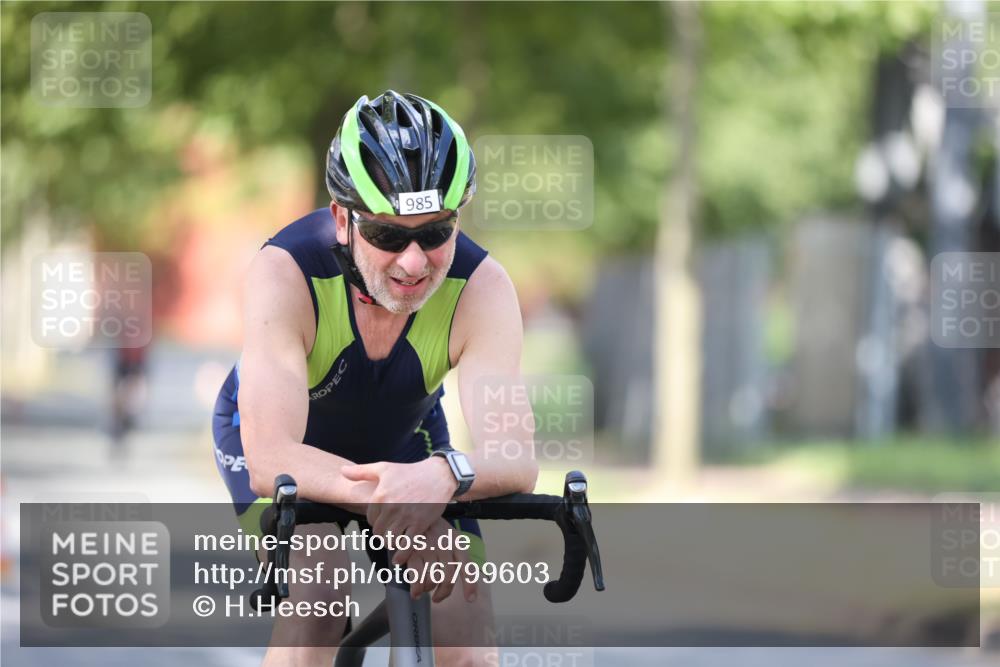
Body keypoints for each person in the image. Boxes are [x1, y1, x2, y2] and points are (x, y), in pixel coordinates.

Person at [212, 90, 538, 666]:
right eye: (388, 235)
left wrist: (442, 476)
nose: (413, 261)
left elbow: (515, 457)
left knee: (461, 610)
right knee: (317, 597)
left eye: (436, 233)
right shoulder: (286, 272)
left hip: (406, 444)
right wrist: (401, 494)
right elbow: (271, 458)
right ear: (342, 219)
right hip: (289, 446)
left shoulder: (483, 289)